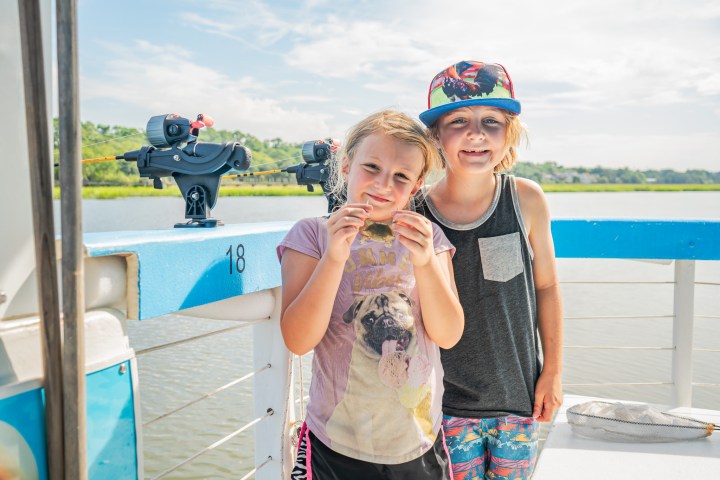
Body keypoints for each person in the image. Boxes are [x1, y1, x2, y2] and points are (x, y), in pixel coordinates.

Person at [278, 110, 465, 479]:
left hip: (418, 442)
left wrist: (426, 261)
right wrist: (334, 256)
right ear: (345, 166)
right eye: (371, 167)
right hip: (336, 445)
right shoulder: (312, 235)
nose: (383, 184)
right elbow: (298, 340)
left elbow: (449, 334)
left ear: (415, 186)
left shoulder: (430, 239)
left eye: (400, 177)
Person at [415, 61, 563, 479]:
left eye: (492, 122)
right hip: (442, 407)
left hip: (517, 400)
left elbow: (548, 287)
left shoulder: (526, 199)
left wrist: (551, 371)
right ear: (436, 137)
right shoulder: (414, 212)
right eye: (458, 121)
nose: (476, 133)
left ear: (509, 133)